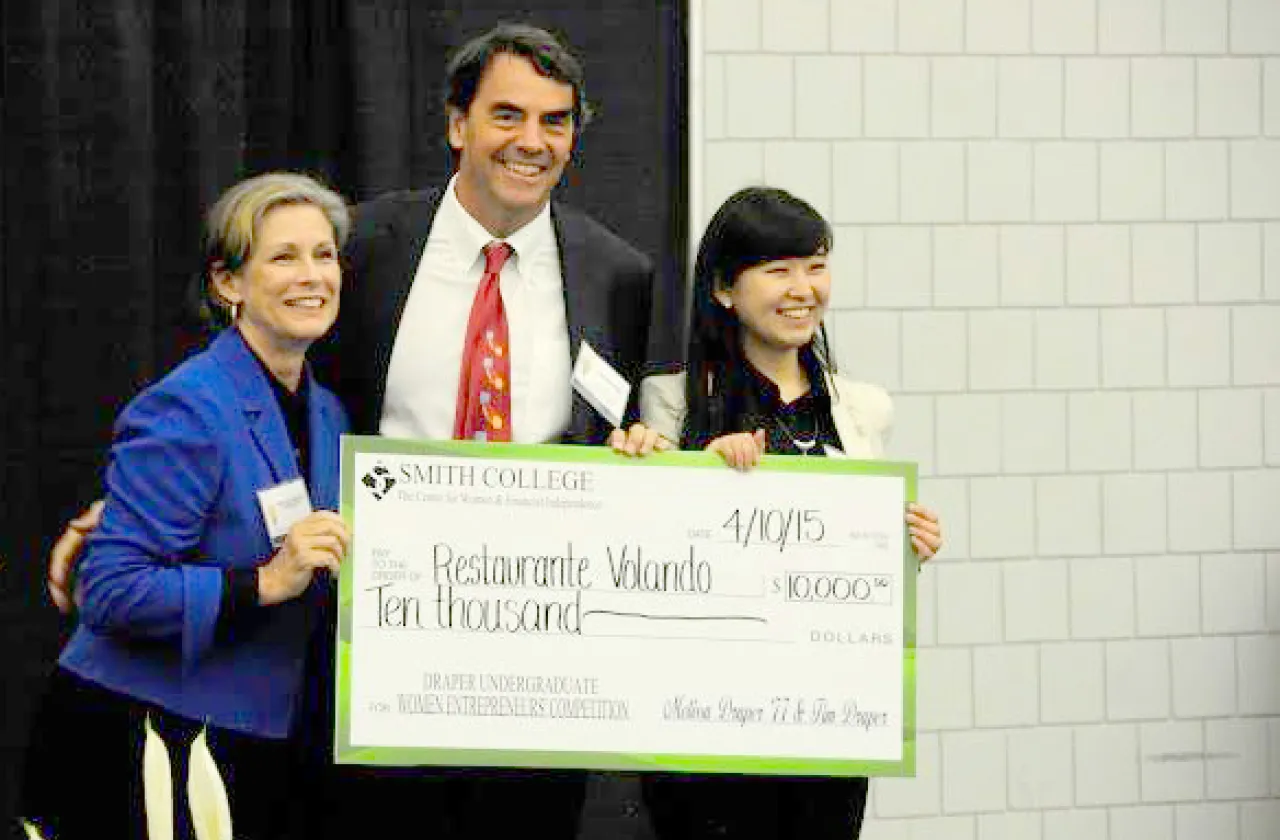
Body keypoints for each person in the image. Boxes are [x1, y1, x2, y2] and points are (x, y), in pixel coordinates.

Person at [45, 22, 668, 840]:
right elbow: (251, 398)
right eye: (507, 115)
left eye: (554, 121)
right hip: (366, 665)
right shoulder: (359, 248)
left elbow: (612, 444)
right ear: (457, 125)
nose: (531, 141)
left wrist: (643, 459)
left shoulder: (616, 271)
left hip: (533, 671)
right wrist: (126, 512)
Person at [21, 172, 354, 840]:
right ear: (227, 283)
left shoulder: (326, 412)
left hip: (250, 742)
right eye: (283, 256)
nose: (312, 274)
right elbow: (110, 589)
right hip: (142, 737)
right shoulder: (189, 406)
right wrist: (264, 582)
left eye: (324, 254)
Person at [638, 186, 942, 840]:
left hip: (825, 724)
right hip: (702, 731)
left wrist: (905, 548)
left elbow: (855, 579)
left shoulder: (862, 409)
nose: (803, 287)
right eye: (777, 269)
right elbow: (647, 562)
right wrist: (702, 476)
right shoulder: (668, 404)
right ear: (724, 289)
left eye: (816, 264)